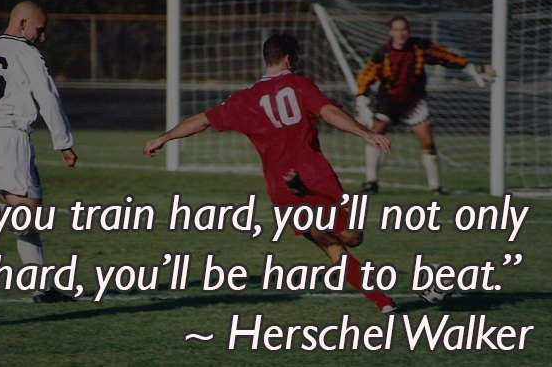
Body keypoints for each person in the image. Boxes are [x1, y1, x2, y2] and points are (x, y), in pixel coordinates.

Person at [145, 33, 397, 313]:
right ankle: (382, 300)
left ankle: (384, 303)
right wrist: (366, 133)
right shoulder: (300, 85)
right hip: (314, 175)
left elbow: (202, 120)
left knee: (329, 244)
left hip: (280, 187)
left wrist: (164, 138)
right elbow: (327, 111)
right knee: (352, 236)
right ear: (289, 59)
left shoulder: (245, 98)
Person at [0, 1, 77, 303]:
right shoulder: (27, 54)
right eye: (40, 29)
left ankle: (42, 289)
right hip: (10, 139)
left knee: (26, 220)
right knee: (27, 221)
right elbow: (47, 98)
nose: (42, 37)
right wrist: (63, 141)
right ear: (23, 24)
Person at [355, 15, 495, 194]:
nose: (401, 33)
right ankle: (371, 181)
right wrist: (361, 97)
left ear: (408, 31)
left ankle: (435, 186)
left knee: (428, 143)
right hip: (389, 100)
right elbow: (367, 75)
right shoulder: (382, 53)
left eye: (404, 29)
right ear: (391, 32)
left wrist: (469, 67)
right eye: (397, 29)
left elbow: (444, 56)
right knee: (376, 135)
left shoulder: (419, 47)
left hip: (413, 101)